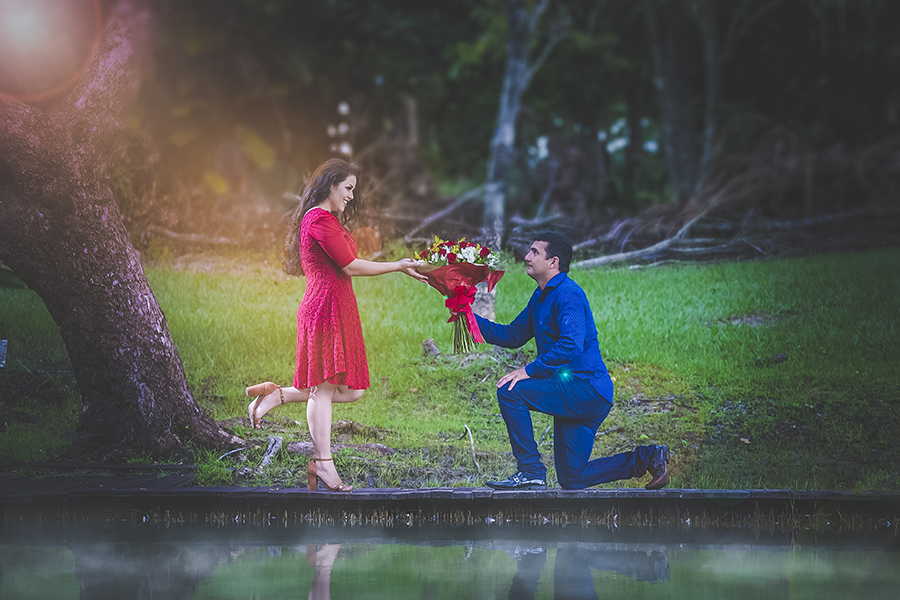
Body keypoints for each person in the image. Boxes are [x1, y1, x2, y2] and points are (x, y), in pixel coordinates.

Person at [245, 158, 427, 492]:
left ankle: (276, 395)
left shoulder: (325, 219)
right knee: (325, 388)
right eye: (348, 188)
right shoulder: (319, 219)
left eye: (353, 189)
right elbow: (350, 265)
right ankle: (323, 463)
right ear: (331, 185)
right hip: (324, 308)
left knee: (352, 389)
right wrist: (398, 266)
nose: (351, 196)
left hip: (338, 307)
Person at [473, 231, 669, 490]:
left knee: (510, 391)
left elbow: (571, 345)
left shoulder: (568, 294)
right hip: (575, 391)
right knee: (572, 478)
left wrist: (530, 370)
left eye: (534, 252)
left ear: (553, 262)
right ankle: (649, 458)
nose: (526, 257)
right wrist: (468, 317)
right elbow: (512, 335)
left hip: (586, 388)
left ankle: (530, 471)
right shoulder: (541, 296)